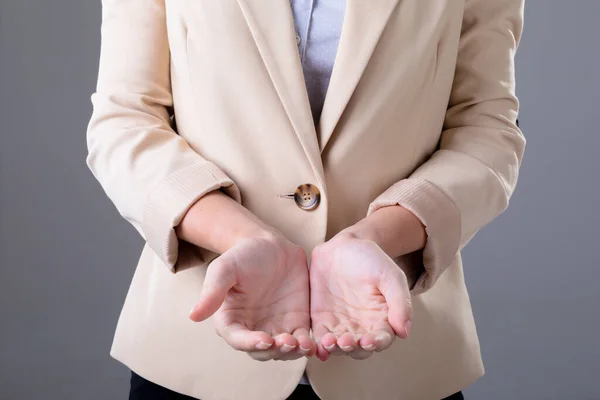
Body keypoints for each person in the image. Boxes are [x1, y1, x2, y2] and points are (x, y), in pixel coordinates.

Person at [86, 0, 525, 399]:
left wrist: (380, 234)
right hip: (195, 350)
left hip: (397, 357)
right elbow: (125, 120)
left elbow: (487, 130)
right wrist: (240, 236)